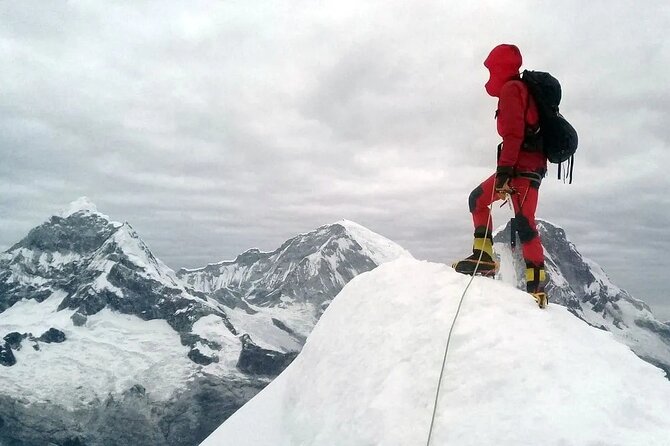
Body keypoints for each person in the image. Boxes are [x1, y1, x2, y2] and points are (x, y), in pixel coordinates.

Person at [453, 44, 548, 308]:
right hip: (529, 167)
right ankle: (533, 285)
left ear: (500, 67)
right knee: (522, 221)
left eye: (491, 68)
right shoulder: (521, 89)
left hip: (520, 169)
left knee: (516, 219)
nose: (489, 74)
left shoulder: (511, 90)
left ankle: (531, 285)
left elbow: (514, 134)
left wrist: (505, 172)